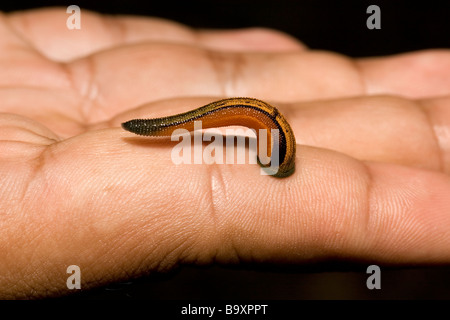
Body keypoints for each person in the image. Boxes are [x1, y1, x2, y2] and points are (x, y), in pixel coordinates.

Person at [0, 7, 449, 299]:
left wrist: (277, 162)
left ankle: (277, 157)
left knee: (233, 121)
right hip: (260, 130)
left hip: (269, 134)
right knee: (205, 120)